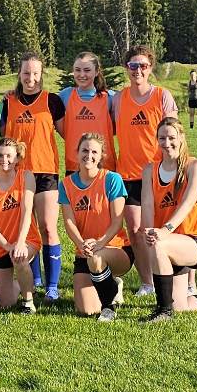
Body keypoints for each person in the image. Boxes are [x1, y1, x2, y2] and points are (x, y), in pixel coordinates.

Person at [114, 46, 178, 297]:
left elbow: (175, 134)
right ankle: (147, 282)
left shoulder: (162, 96)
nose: (137, 70)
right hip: (129, 175)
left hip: (158, 175)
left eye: (142, 66)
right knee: (138, 233)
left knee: (164, 231)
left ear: (150, 68)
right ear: (126, 68)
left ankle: (174, 277)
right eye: (133, 66)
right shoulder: (118, 99)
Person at [1, 52, 66, 301]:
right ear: (19, 74)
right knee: (25, 229)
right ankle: (35, 279)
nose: (30, 78)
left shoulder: (52, 100)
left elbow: (67, 135)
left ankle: (52, 285)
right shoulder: (9, 102)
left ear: (41, 74)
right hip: (18, 174)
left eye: (35, 73)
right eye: (26, 73)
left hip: (46, 172)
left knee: (48, 227)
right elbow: (1, 138)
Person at [141, 116, 197, 323]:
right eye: (162, 138)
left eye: (172, 137)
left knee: (160, 244)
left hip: (192, 241)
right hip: (166, 241)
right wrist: (148, 231)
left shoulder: (195, 166)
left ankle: (163, 311)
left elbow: (188, 202)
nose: (167, 143)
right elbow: (147, 206)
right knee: (182, 305)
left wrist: (165, 230)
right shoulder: (150, 170)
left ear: (181, 138)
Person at [61, 131, 130, 320]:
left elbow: (118, 221)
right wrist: (82, 243)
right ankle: (110, 284)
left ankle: (109, 307)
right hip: (85, 251)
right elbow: (68, 222)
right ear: (77, 152)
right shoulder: (66, 184)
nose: (88, 156)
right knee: (86, 309)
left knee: (98, 258)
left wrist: (99, 243)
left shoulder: (112, 179)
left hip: (114, 248)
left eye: (94, 152)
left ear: (101, 156)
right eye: (85, 150)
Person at [0, 136, 39, 314]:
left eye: (9, 156)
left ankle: (28, 303)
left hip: (25, 240)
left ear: (17, 158)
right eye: (0, 155)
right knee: (6, 303)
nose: (4, 160)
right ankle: (21, 284)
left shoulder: (26, 177)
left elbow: (27, 212)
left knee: (19, 257)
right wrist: (7, 245)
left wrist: (19, 243)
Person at [57, 51, 115, 172]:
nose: (82, 74)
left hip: (104, 166)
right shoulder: (65, 95)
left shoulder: (109, 97)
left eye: (87, 70)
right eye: (77, 70)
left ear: (97, 72)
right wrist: (15, 94)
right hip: (74, 166)